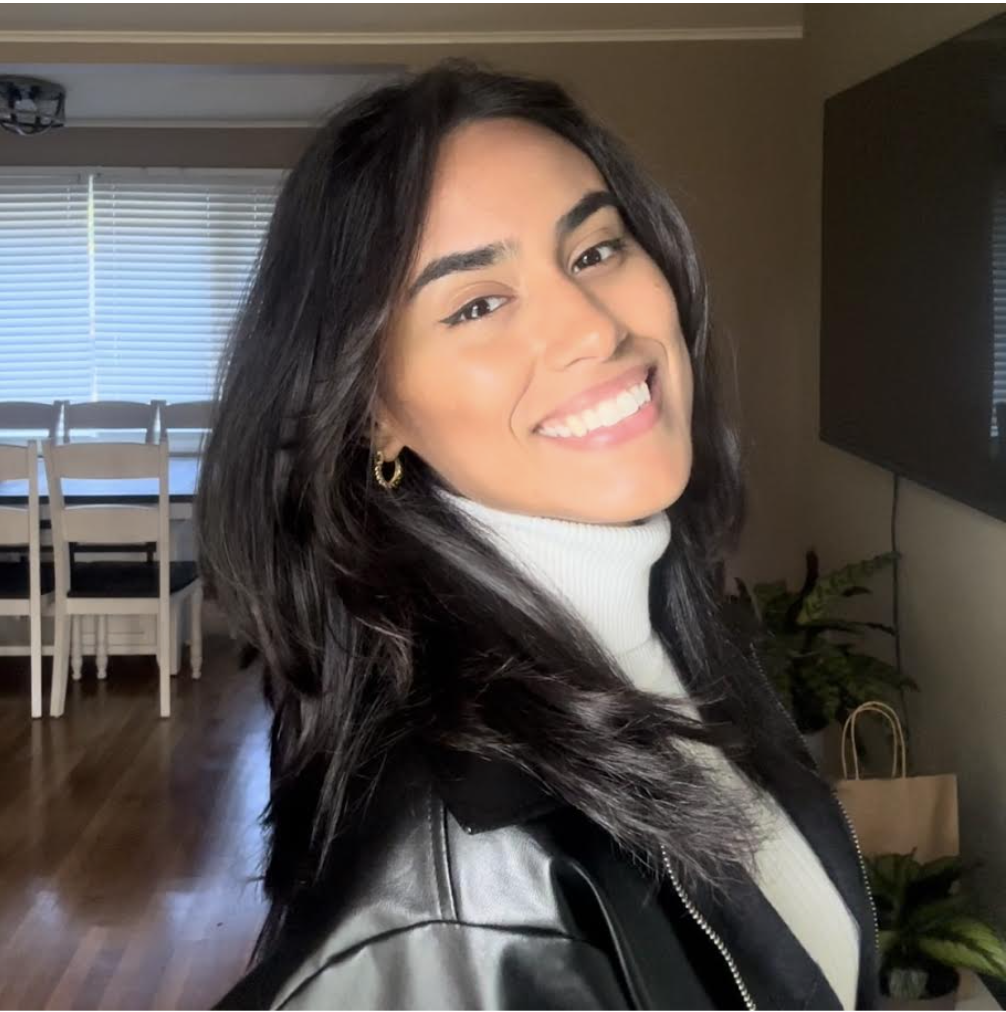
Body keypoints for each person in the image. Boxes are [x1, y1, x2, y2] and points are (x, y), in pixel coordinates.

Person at [197, 57, 879, 1011]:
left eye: (595, 250)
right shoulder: (460, 895)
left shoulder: (679, 635)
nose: (592, 329)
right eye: (478, 303)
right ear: (372, 414)